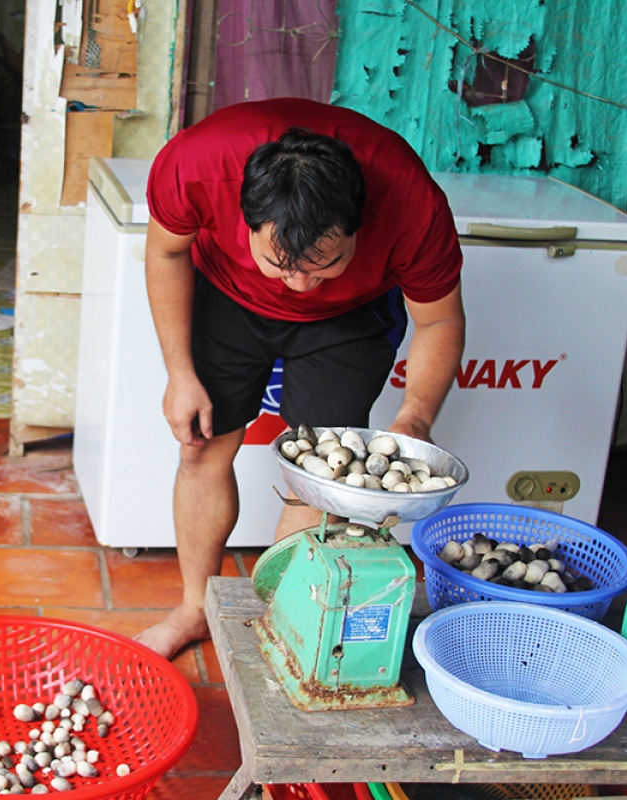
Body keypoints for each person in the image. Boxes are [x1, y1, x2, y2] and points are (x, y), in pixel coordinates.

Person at [134, 97, 466, 660]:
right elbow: (166, 253)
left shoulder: (413, 204)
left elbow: (440, 319)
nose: (300, 286)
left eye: (323, 265)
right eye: (281, 265)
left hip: (351, 316)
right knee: (201, 446)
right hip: (228, 295)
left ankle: (281, 621)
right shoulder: (197, 164)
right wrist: (179, 373)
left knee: (318, 474)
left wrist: (416, 417)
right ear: (245, 219)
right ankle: (194, 609)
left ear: (358, 224)